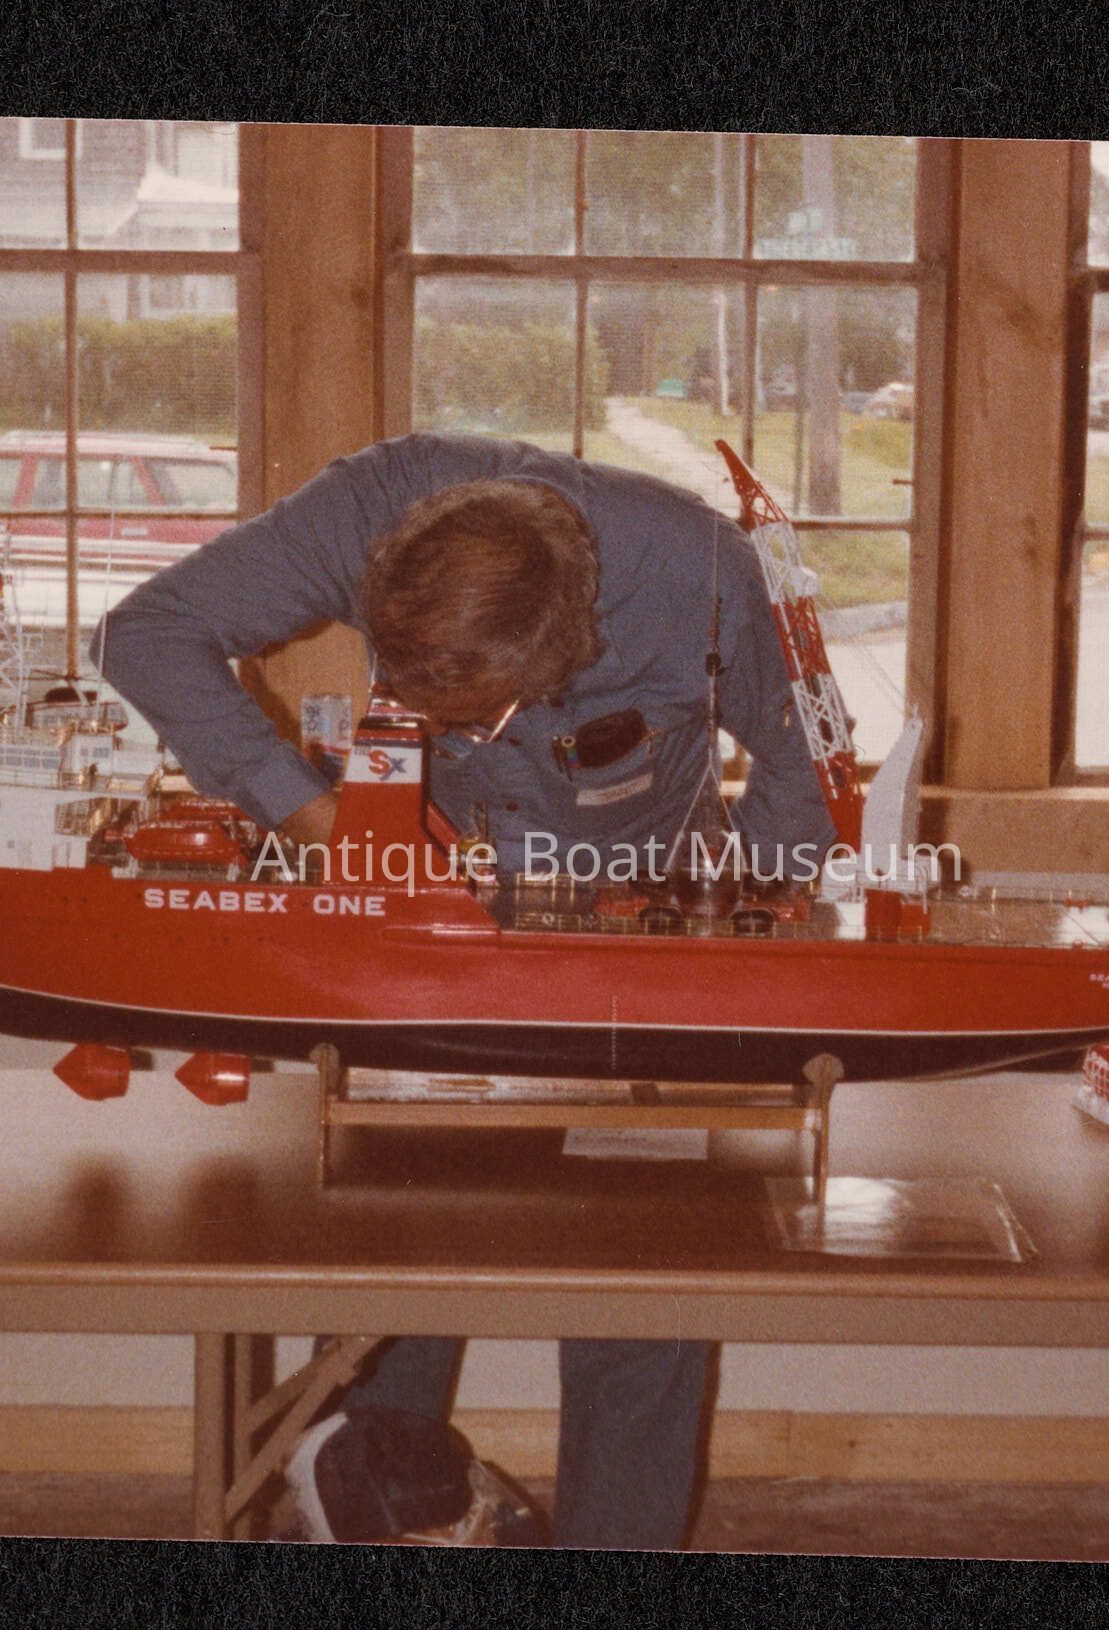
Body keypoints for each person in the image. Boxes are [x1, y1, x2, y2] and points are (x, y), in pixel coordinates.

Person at [93, 432, 836, 1549]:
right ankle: (380, 1523)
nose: (449, 736)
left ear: (572, 648)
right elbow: (144, 633)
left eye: (473, 719)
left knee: (641, 1292)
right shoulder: (362, 509)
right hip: (425, 954)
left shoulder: (709, 574)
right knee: (393, 1277)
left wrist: (727, 944)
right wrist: (317, 819)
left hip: (639, 958)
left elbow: (808, 766)